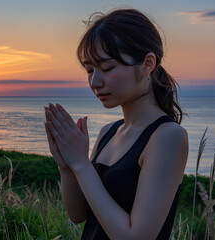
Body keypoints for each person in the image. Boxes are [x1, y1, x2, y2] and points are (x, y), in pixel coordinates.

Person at [44, 8, 188, 240]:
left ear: (147, 64)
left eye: (107, 68)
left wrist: (81, 163)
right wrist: (67, 166)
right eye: (89, 70)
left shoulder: (167, 136)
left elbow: (136, 237)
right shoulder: (108, 132)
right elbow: (78, 214)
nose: (95, 81)